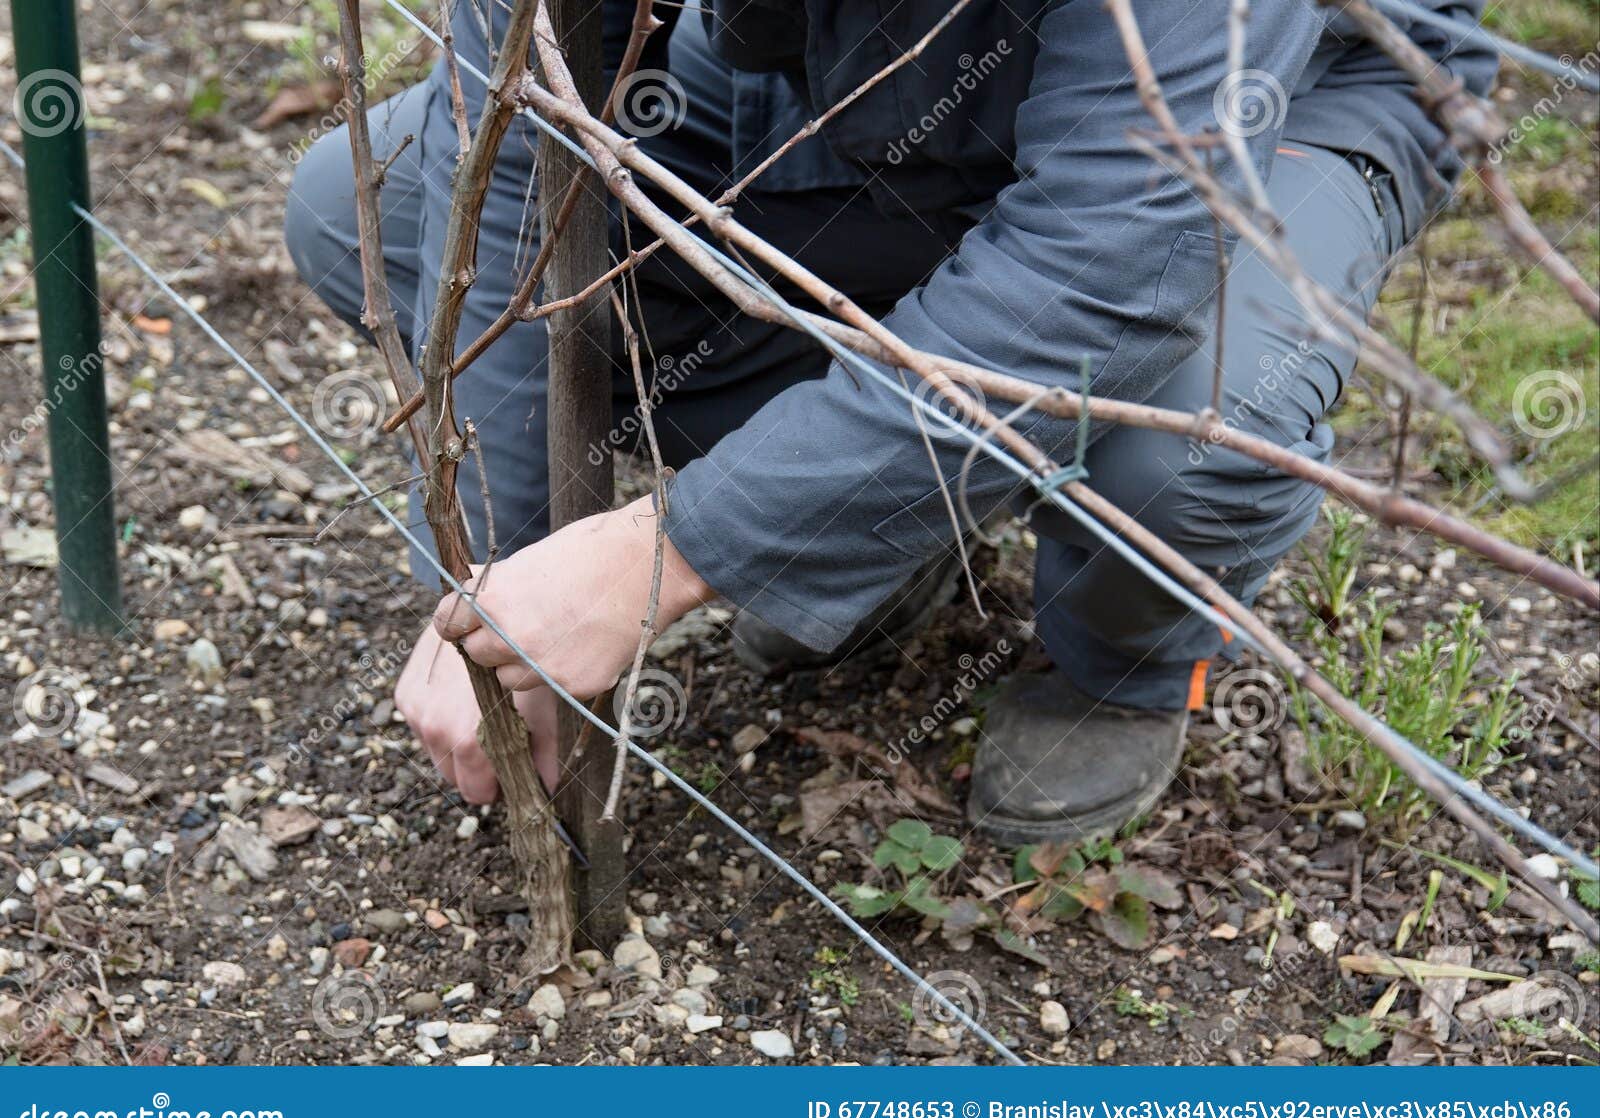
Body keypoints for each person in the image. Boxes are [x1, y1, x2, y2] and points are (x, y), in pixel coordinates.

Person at [286, 1, 1495, 845]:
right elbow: (514, 151)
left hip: (1276, 79)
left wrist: (669, 553)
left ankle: (1117, 665)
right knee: (366, 211)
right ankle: (873, 505)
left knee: (1188, 425)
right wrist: (499, 576)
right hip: (851, 44)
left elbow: (1107, 271)